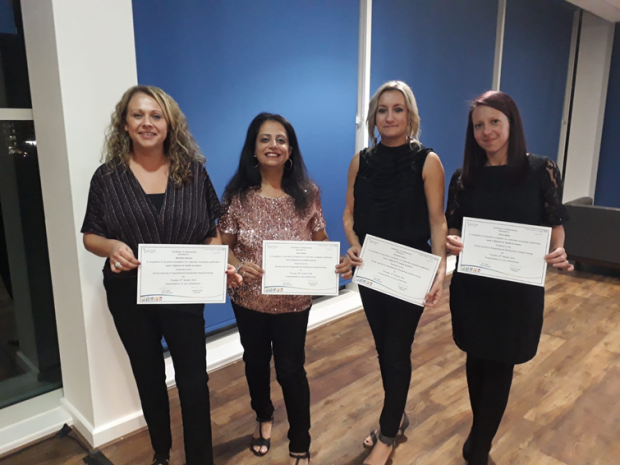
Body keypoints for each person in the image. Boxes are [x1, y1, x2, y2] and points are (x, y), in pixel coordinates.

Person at [81, 85, 240, 465]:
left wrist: (219, 261)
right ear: (124, 124)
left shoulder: (194, 173)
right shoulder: (107, 177)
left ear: (170, 125)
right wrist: (111, 248)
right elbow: (90, 235)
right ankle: (161, 453)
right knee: (148, 376)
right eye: (138, 115)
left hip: (183, 291)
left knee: (193, 380)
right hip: (128, 293)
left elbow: (211, 232)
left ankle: (200, 458)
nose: (147, 123)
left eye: (156, 116)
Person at [445, 91, 574, 465]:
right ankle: (479, 439)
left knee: (501, 363)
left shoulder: (540, 169)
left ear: (511, 123)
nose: (486, 131)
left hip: (517, 290)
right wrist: (452, 238)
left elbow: (555, 223)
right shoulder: (463, 177)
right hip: (473, 286)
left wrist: (558, 250)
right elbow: (454, 222)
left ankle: (478, 447)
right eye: (479, 126)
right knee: (476, 357)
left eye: (494, 122)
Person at [219, 112, 352, 465]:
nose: (273, 146)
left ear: (290, 149)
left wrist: (336, 261)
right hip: (249, 300)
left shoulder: (308, 194)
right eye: (265, 139)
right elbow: (222, 244)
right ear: (253, 148)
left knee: (292, 370)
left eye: (280, 139)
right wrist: (237, 263)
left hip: (294, 303)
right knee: (255, 363)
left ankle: (300, 441)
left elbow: (321, 239)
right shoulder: (237, 195)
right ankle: (263, 417)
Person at [343, 81, 447, 465]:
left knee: (397, 348)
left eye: (398, 109)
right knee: (383, 347)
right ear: (374, 117)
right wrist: (353, 242)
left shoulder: (427, 161)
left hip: (411, 269)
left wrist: (441, 270)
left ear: (410, 116)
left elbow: (438, 221)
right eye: (382, 110)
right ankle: (396, 411)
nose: (389, 116)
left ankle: (388, 432)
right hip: (372, 272)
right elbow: (348, 214)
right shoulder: (361, 161)